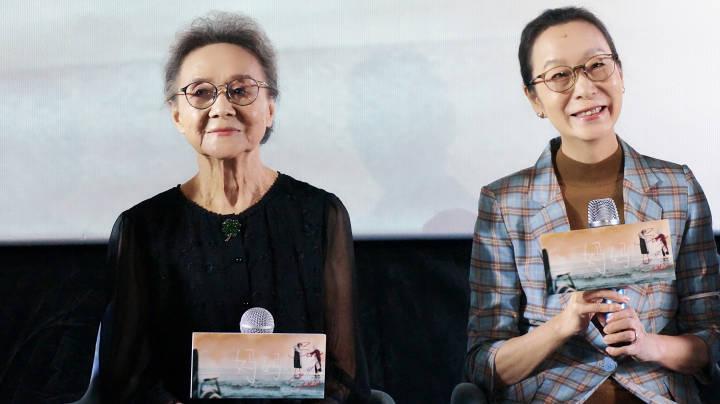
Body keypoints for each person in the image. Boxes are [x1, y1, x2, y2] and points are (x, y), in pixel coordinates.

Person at [96, 12, 369, 403]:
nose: (222, 107)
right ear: (177, 115)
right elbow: (126, 379)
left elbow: (343, 375)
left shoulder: (320, 214)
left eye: (240, 90)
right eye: (201, 93)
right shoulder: (142, 228)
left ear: (270, 108)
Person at [464, 7, 719, 403]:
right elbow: (483, 364)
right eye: (559, 76)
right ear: (534, 98)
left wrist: (648, 344)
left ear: (620, 74)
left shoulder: (677, 188)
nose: (584, 88)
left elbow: (712, 339)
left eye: (597, 65)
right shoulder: (505, 203)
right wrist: (562, 325)